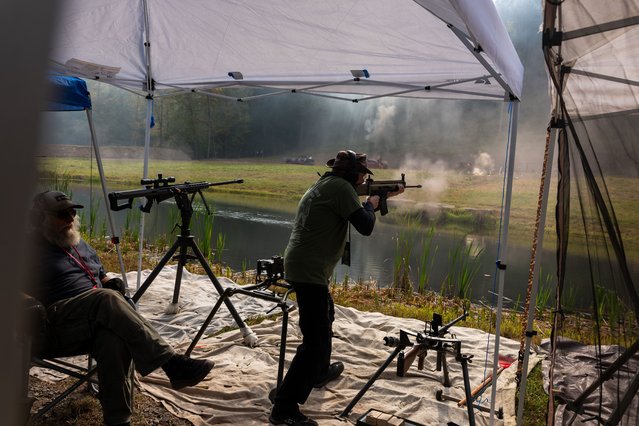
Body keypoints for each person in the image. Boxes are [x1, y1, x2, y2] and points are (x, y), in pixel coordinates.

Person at [25, 190, 215, 426]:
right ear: (38, 217)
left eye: (73, 212)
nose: (70, 219)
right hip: (52, 324)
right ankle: (171, 363)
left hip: (91, 321)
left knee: (112, 338)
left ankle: (118, 420)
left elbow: (100, 274)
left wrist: (109, 282)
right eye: (62, 214)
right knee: (107, 299)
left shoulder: (76, 241)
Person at [269, 150, 404, 425]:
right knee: (315, 341)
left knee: (325, 316)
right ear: (355, 176)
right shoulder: (343, 189)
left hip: (303, 264)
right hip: (309, 270)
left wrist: (374, 200)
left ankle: (318, 372)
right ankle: (283, 406)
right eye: (363, 176)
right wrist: (372, 203)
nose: (363, 179)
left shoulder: (324, 184)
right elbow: (365, 226)